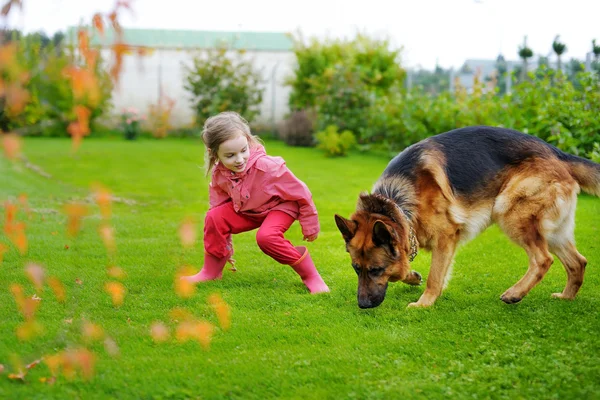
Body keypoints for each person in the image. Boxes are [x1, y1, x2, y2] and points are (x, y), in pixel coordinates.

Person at [182, 111, 329, 294]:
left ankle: (310, 275)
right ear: (215, 154)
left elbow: (302, 193)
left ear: (249, 141)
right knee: (213, 217)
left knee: (266, 237)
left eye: (244, 150)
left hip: (280, 207)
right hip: (249, 209)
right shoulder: (220, 173)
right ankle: (211, 271)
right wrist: (222, 238)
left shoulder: (268, 167)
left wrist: (310, 225)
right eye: (230, 155)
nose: (239, 159)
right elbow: (219, 201)